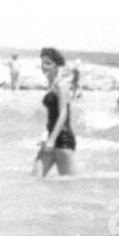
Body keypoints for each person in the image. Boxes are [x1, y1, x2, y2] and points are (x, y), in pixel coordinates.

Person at [33, 47, 75, 177]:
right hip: (51, 136)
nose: (44, 66)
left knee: (68, 185)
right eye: (42, 63)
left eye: (48, 63)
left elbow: (63, 114)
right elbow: (53, 114)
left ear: (57, 65)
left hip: (62, 139)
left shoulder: (61, 84)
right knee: (34, 179)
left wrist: (51, 139)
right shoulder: (51, 83)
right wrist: (46, 134)